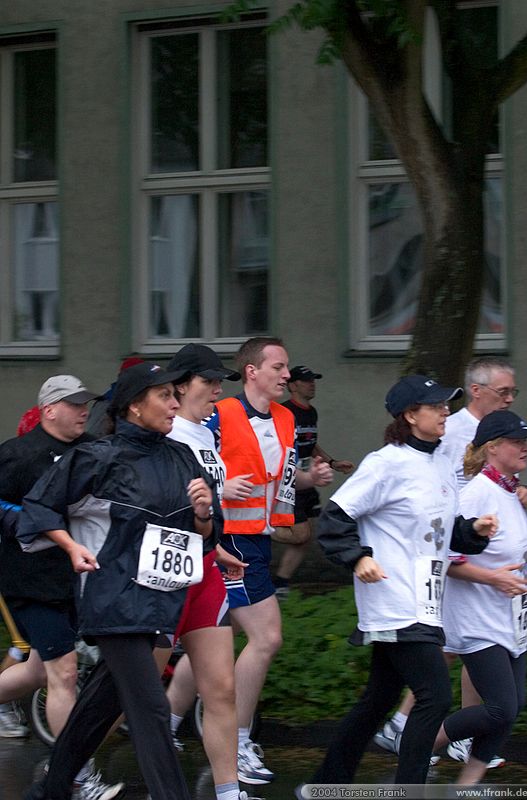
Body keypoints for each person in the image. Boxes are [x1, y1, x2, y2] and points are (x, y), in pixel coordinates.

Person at [18, 361, 221, 800]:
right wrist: (71, 547)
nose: (174, 403)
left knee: (98, 706)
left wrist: (204, 513)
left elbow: (204, 535)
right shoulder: (97, 457)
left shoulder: (181, 456)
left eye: (175, 394)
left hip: (160, 600)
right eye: (164, 396)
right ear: (133, 406)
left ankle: (52, 789)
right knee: (150, 708)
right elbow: (39, 508)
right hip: (113, 599)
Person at [296, 375, 497, 793]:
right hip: (393, 601)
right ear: (410, 415)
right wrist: (359, 557)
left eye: (447, 405)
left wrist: (473, 529)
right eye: (436, 406)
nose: (446, 412)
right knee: (435, 699)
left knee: (378, 702)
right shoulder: (385, 463)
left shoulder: (441, 462)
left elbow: (441, 531)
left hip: (425, 601)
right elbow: (336, 518)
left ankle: (324, 786)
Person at [374, 356, 527, 767]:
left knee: (464, 649)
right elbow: (453, 486)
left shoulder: (496, 435)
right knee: (451, 644)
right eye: (503, 392)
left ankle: (433, 731)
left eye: (513, 392)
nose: (510, 398)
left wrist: (512, 497)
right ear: (477, 391)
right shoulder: (451, 429)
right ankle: (407, 728)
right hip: (443, 552)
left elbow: (491, 485)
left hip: (470, 541)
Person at [205, 337, 333, 785]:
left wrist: (308, 478)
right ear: (251, 372)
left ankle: (167, 718)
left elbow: (278, 479)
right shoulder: (220, 415)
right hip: (228, 541)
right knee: (267, 637)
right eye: (278, 367)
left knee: (210, 635)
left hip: (260, 539)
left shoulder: (285, 418)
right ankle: (236, 740)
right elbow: (190, 470)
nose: (286, 375)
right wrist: (220, 492)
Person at [0, 375, 123, 799]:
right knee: (64, 673)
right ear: (49, 409)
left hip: (78, 580)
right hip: (29, 581)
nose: (83, 410)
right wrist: (30, 521)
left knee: (38, 671)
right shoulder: (17, 455)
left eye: (85, 403)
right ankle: (76, 777)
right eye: (73, 404)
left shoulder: (92, 450)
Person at [164, 343, 257, 800]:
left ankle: (228, 791)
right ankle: (70, 770)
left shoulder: (203, 435)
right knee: (128, 698)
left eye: (221, 382)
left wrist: (215, 545)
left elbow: (203, 505)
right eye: (209, 382)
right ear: (180, 387)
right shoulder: (167, 434)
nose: (218, 391)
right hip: (163, 578)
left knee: (220, 689)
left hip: (204, 571)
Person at [432, 409, 527, 784]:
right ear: (492, 448)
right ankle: (418, 741)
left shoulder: (510, 492)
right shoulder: (475, 495)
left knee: (513, 706)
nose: (524, 448)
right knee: (500, 708)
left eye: (525, 441)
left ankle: (465, 787)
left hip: (511, 618)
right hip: (476, 619)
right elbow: (447, 561)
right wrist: (494, 579)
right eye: (516, 441)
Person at [272, 365, 354, 598]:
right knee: (300, 534)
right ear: (293, 385)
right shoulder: (283, 411)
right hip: (290, 482)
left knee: (307, 537)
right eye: (307, 380)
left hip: (308, 481)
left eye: (313, 380)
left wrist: (333, 463)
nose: (312, 384)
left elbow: (311, 443)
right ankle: (257, 529)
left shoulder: (312, 412)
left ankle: (281, 583)